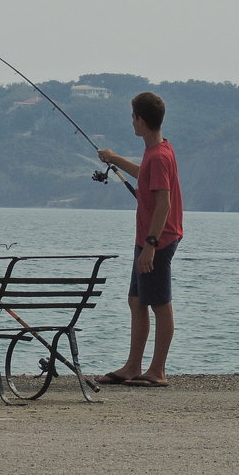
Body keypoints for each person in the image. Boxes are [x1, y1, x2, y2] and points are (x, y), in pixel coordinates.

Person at [95, 92, 183, 388]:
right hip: (148, 238)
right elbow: (144, 175)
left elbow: (164, 204)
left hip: (157, 239)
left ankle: (157, 371)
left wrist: (150, 246)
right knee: (136, 300)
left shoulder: (158, 156)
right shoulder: (157, 150)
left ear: (141, 121)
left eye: (133, 117)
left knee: (160, 304)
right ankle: (133, 366)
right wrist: (115, 158)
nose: (131, 121)